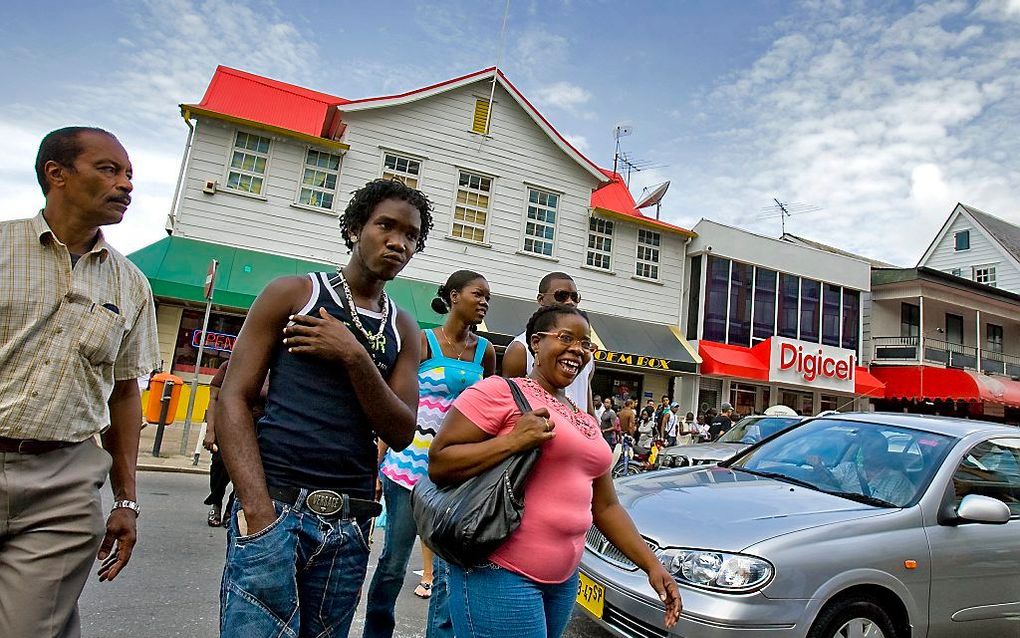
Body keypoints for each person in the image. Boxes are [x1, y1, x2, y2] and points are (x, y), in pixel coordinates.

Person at [215, 179, 433, 638]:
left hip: (348, 523)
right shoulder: (294, 294)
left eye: (411, 236)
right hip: (276, 505)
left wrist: (354, 356)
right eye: (385, 226)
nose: (398, 242)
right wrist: (258, 513)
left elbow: (399, 430)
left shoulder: (404, 328)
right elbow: (233, 397)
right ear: (356, 228)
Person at [429, 304, 681, 638]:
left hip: (563, 581)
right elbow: (440, 461)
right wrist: (513, 441)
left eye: (585, 344)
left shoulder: (586, 419)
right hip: (500, 571)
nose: (577, 350)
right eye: (566, 338)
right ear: (535, 342)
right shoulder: (500, 391)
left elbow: (605, 506)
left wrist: (651, 564)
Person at [0, 127, 159, 637]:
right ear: (57, 174)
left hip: (62, 486)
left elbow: (126, 393)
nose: (126, 185)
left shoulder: (131, 283)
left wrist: (126, 500)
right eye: (109, 170)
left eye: (129, 174)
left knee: (31, 628)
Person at [364, 270, 496, 638]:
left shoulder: (486, 354)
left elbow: (490, 413)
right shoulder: (422, 342)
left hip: (455, 477)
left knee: (443, 572)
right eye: (478, 294)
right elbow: (397, 404)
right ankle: (376, 631)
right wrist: (377, 463)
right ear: (453, 297)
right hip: (407, 469)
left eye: (489, 297)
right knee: (393, 562)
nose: (485, 302)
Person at [501, 272, 595, 415]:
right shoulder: (520, 349)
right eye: (561, 296)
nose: (570, 302)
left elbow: (588, 408)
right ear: (541, 299)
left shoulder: (584, 352)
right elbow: (509, 406)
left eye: (575, 297)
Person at [202, 359, 268, 527]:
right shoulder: (229, 366)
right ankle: (216, 503)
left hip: (257, 429)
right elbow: (214, 399)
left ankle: (231, 510)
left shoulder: (273, 370)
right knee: (219, 467)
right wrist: (210, 431)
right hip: (228, 425)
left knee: (247, 472)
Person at [812, 430, 914, 505]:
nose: (870, 452)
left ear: (884, 453)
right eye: (867, 447)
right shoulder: (848, 469)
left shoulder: (899, 482)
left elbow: (898, 515)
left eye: (876, 449)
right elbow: (829, 482)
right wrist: (818, 466)